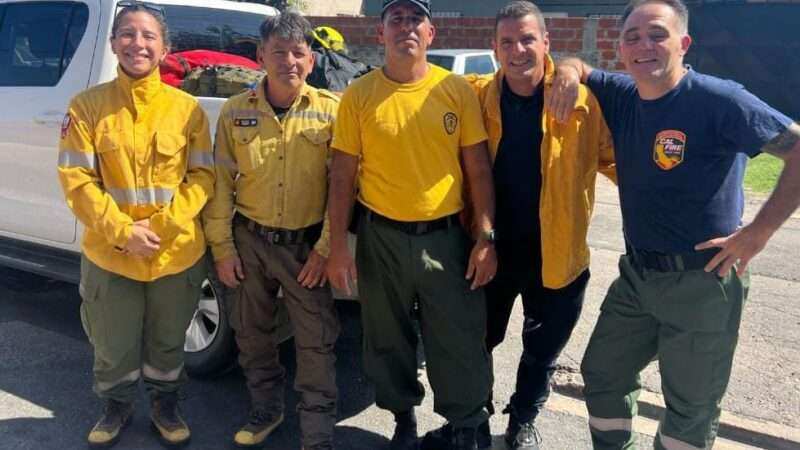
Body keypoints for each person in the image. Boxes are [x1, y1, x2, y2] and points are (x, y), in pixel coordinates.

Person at [551, 0, 800, 448]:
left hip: (704, 280)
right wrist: (568, 72)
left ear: (683, 43)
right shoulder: (623, 94)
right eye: (632, 37)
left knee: (690, 407)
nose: (644, 45)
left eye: (657, 34)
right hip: (638, 276)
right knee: (603, 372)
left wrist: (758, 233)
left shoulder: (719, 99)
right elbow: (575, 64)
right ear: (621, 49)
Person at [325, 1, 497, 449]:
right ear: (380, 34)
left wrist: (485, 237)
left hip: (445, 238)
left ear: (431, 34)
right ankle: (403, 419)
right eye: (396, 19)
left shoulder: (455, 90)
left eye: (415, 19)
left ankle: (465, 425)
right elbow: (342, 174)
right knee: (386, 337)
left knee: (456, 338)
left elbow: (478, 169)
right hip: (380, 237)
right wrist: (339, 248)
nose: (406, 27)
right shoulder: (360, 95)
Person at [453, 2, 617, 449]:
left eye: (528, 39)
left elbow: (623, 163)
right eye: (507, 41)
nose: (518, 49)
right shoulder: (473, 97)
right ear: (494, 49)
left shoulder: (582, 103)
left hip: (559, 255)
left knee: (541, 353)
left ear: (547, 43)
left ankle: (522, 418)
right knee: (476, 342)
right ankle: (475, 415)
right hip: (489, 249)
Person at [57, 3, 215, 448]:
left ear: (165, 48)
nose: (137, 43)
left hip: (175, 251)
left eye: (148, 36)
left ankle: (166, 405)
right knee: (113, 343)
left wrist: (161, 228)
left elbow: (203, 177)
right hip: (112, 252)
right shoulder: (87, 107)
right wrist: (123, 231)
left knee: (168, 344)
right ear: (113, 44)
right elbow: (76, 180)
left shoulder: (188, 110)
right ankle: (116, 407)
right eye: (127, 34)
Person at [202, 11, 340, 450]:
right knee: (251, 332)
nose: (289, 61)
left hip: (305, 249)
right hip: (250, 241)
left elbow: (344, 188)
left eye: (298, 52)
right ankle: (266, 409)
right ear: (260, 56)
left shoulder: (331, 112)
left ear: (312, 60)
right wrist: (222, 249)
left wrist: (325, 249)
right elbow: (221, 184)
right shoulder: (235, 111)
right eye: (278, 52)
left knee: (316, 343)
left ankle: (317, 433)